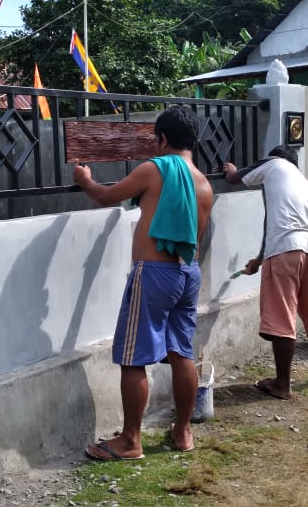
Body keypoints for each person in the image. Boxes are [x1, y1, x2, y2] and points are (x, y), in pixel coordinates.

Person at [74, 105, 213, 460]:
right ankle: (182, 432)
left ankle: (130, 441)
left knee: (133, 357)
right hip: (188, 273)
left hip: (154, 273)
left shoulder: (155, 169)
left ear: (162, 139)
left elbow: (106, 196)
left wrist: (85, 180)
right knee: (182, 353)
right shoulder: (204, 183)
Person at [223, 145, 308, 400]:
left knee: (281, 315)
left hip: (285, 252)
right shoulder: (303, 184)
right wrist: (259, 260)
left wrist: (230, 169)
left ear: (276, 157)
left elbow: (233, 179)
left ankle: (282, 384)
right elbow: (276, 224)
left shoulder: (273, 164)